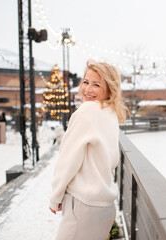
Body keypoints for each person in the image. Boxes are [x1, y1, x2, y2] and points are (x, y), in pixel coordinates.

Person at [49, 60, 127, 240]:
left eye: (96, 84)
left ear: (109, 88)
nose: (88, 89)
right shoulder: (110, 113)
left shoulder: (86, 112)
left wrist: (55, 196)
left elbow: (68, 160)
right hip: (104, 206)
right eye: (86, 82)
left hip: (83, 204)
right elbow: (112, 159)